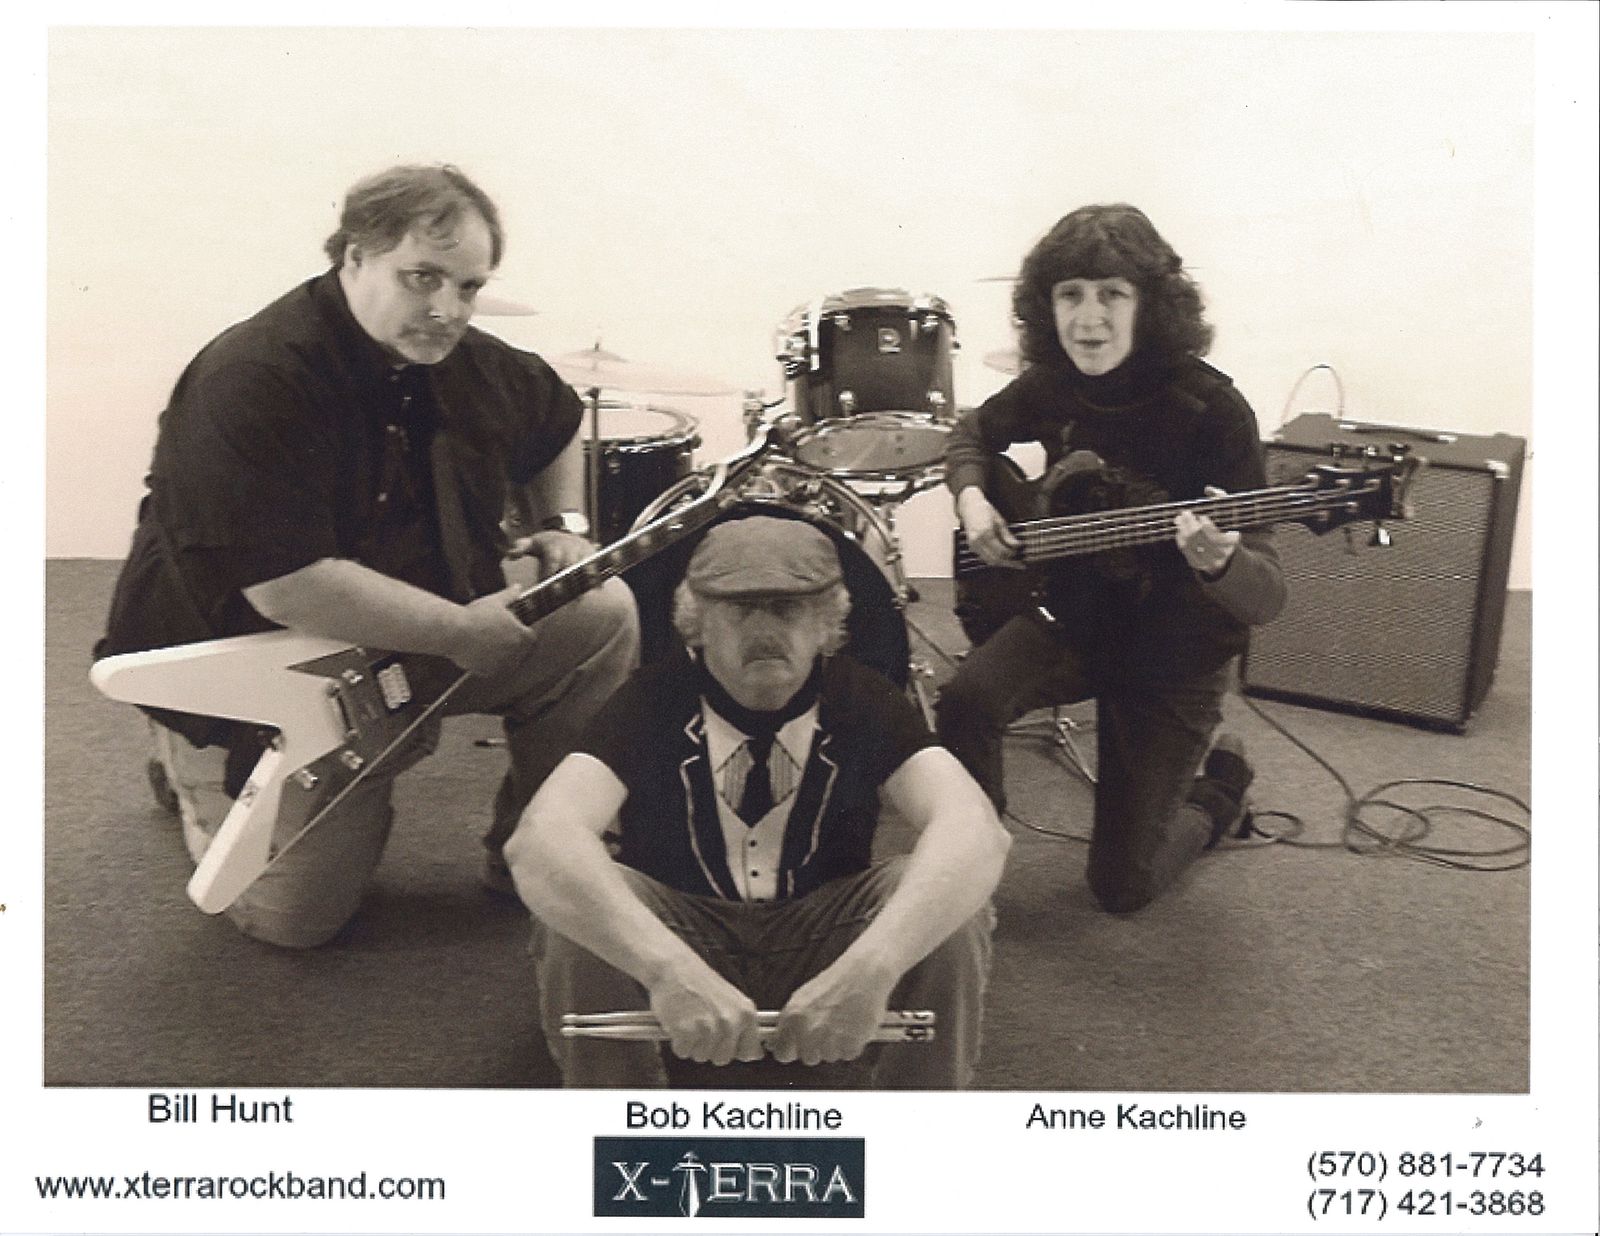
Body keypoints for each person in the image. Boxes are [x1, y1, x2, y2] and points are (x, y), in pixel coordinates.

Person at [95, 163, 639, 948]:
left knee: (598, 609)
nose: (448, 309)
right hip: (262, 658)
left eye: (469, 287)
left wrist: (564, 522)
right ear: (355, 256)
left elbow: (557, 417)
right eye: (423, 278)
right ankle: (187, 765)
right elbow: (289, 588)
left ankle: (543, 854)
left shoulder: (461, 358)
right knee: (296, 921)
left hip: (410, 635)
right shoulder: (254, 378)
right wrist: (460, 632)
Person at [506, 515, 1009, 1088]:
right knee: (575, 891)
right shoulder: (650, 699)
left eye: (789, 609)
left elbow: (975, 830)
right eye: (740, 610)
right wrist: (668, 970)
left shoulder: (863, 698)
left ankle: (916, 1121)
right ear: (696, 623)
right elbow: (540, 840)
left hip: (824, 938)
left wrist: (872, 968)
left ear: (827, 623)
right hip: (683, 937)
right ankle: (623, 1119)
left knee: (953, 893)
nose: (765, 630)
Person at [936, 203, 1286, 915]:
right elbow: (971, 434)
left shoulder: (1214, 411)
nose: (1088, 319)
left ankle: (1222, 785)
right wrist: (972, 498)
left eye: (1112, 295)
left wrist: (1220, 563)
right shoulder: (1053, 383)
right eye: (1070, 295)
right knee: (966, 701)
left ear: (1150, 304)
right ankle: (973, 864)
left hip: (1174, 653)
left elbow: (1267, 597)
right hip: (1076, 616)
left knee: (1122, 886)